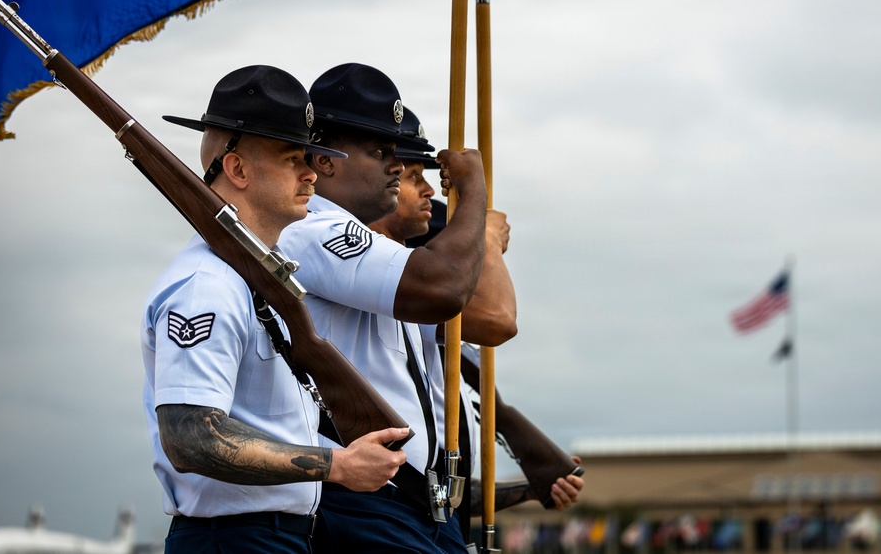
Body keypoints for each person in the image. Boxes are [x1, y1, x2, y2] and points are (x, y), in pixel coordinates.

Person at [143, 64, 409, 554]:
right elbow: (190, 437)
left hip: (278, 536)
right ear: (238, 169)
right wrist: (337, 466)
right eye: (292, 159)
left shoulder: (260, 278)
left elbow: (273, 428)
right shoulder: (207, 285)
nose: (311, 173)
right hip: (234, 540)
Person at [277, 62, 490, 553]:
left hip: (412, 505)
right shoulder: (312, 230)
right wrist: (474, 192)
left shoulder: (360, 241)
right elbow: (445, 288)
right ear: (325, 160)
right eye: (379, 152)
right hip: (368, 502)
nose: (395, 165)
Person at [379, 110, 585, 532]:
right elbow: (498, 320)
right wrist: (486, 239)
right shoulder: (413, 303)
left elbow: (446, 495)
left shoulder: (460, 360)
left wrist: (527, 488)